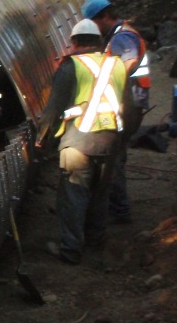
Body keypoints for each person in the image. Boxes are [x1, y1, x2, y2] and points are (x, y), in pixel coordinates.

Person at [35, 18, 127, 264]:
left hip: (79, 141)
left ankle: (70, 249)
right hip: (110, 140)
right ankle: (96, 240)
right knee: (100, 192)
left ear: (74, 43)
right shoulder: (117, 64)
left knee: (73, 195)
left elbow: (53, 109)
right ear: (99, 41)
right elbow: (129, 106)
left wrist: (40, 140)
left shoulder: (70, 66)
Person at [81, 0, 150, 223]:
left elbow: (128, 63)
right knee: (116, 156)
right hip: (131, 102)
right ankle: (114, 207)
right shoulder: (120, 35)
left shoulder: (122, 38)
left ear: (104, 17)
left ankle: (119, 212)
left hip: (129, 104)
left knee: (113, 158)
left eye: (93, 22)